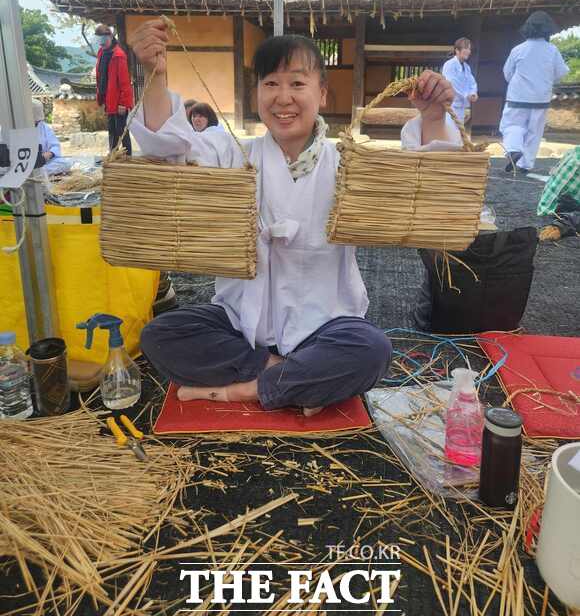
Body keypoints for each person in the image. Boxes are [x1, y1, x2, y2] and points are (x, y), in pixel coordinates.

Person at [128, 21, 454, 416]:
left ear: (322, 92)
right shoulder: (232, 152)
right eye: (271, 84)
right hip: (240, 323)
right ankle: (292, 379)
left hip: (326, 322)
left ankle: (242, 390)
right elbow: (171, 153)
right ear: (257, 92)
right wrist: (156, 75)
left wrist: (434, 117)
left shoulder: (350, 163)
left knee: (372, 350)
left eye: (298, 84)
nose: (284, 98)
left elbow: (428, 190)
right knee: (161, 335)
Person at [500, 11, 569, 174]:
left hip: (518, 97)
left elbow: (507, 73)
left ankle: (513, 149)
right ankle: (525, 165)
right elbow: (561, 73)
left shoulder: (518, 49)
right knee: (534, 131)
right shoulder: (552, 50)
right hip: (541, 98)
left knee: (512, 125)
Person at [94, 24, 134, 155]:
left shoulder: (119, 55)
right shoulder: (101, 52)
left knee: (121, 130)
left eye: (104, 40)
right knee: (111, 130)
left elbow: (125, 82)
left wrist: (123, 103)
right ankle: (113, 155)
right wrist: (100, 96)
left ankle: (127, 157)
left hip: (119, 100)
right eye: (100, 40)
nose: (102, 43)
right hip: (108, 98)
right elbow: (100, 76)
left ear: (110, 37)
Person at [440, 37, 478, 124]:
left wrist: (473, 93)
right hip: (451, 105)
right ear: (457, 50)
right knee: (449, 132)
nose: (469, 51)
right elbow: (452, 83)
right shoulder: (449, 65)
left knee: (458, 133)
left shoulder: (467, 67)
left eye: (469, 49)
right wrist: (466, 94)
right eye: (466, 48)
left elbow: (472, 83)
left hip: (461, 106)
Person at [32, 99, 70, 176]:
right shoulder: (16, 128)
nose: (37, 122)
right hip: (24, 164)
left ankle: (37, 174)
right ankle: (35, 174)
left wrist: (48, 154)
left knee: (65, 163)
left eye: (37, 121)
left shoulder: (44, 127)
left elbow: (55, 146)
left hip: (44, 163)